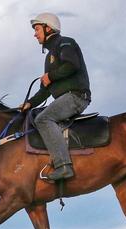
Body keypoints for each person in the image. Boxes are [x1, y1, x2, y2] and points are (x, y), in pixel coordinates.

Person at [20, 13, 91, 181]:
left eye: (37, 29)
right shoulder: (49, 57)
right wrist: (29, 103)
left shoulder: (65, 42)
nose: (35, 34)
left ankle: (63, 166)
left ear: (48, 28)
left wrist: (50, 76)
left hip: (76, 96)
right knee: (34, 115)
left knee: (43, 119)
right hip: (65, 98)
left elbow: (72, 65)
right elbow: (45, 90)